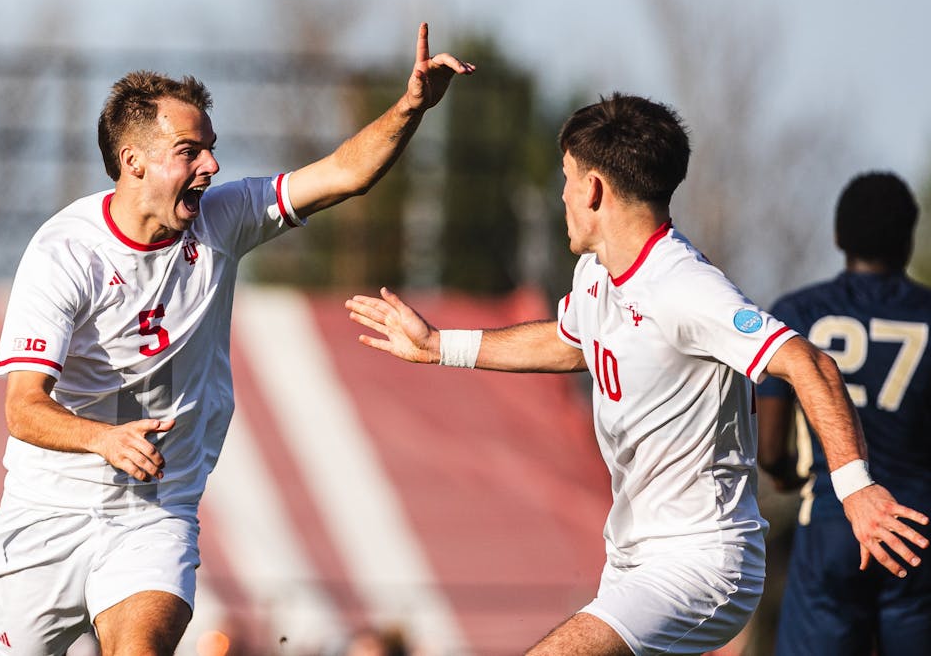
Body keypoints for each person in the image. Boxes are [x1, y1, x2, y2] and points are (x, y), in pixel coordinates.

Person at [344, 95, 929, 655]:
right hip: (633, 558)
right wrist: (440, 345)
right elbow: (572, 342)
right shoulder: (597, 272)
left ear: (594, 189)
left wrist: (856, 489)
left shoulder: (684, 287)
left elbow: (809, 361)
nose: (564, 195)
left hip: (702, 563)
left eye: (567, 179)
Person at [0, 23, 472, 656]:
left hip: (154, 511)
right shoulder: (64, 254)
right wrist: (104, 439)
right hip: (46, 515)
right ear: (134, 162)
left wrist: (411, 106)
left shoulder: (223, 217)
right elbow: (23, 407)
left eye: (210, 149)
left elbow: (345, 174)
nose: (212, 166)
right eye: (190, 151)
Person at [757, 172, 931, 655]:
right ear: (908, 236)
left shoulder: (798, 311)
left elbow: (770, 447)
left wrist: (787, 475)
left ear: (837, 237)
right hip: (918, 528)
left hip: (832, 526)